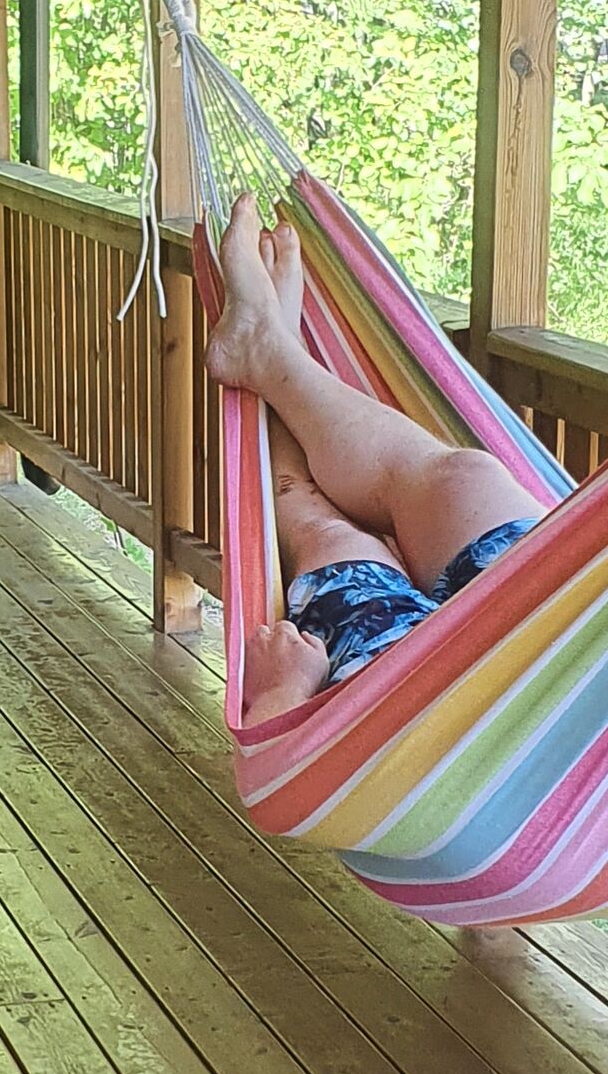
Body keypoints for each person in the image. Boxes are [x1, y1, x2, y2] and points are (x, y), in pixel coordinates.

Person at [205, 190, 547, 719]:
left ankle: (269, 351)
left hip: (424, 717)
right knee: (465, 477)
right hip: (564, 625)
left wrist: (282, 694)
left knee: (335, 541)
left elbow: (283, 797)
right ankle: (276, 353)